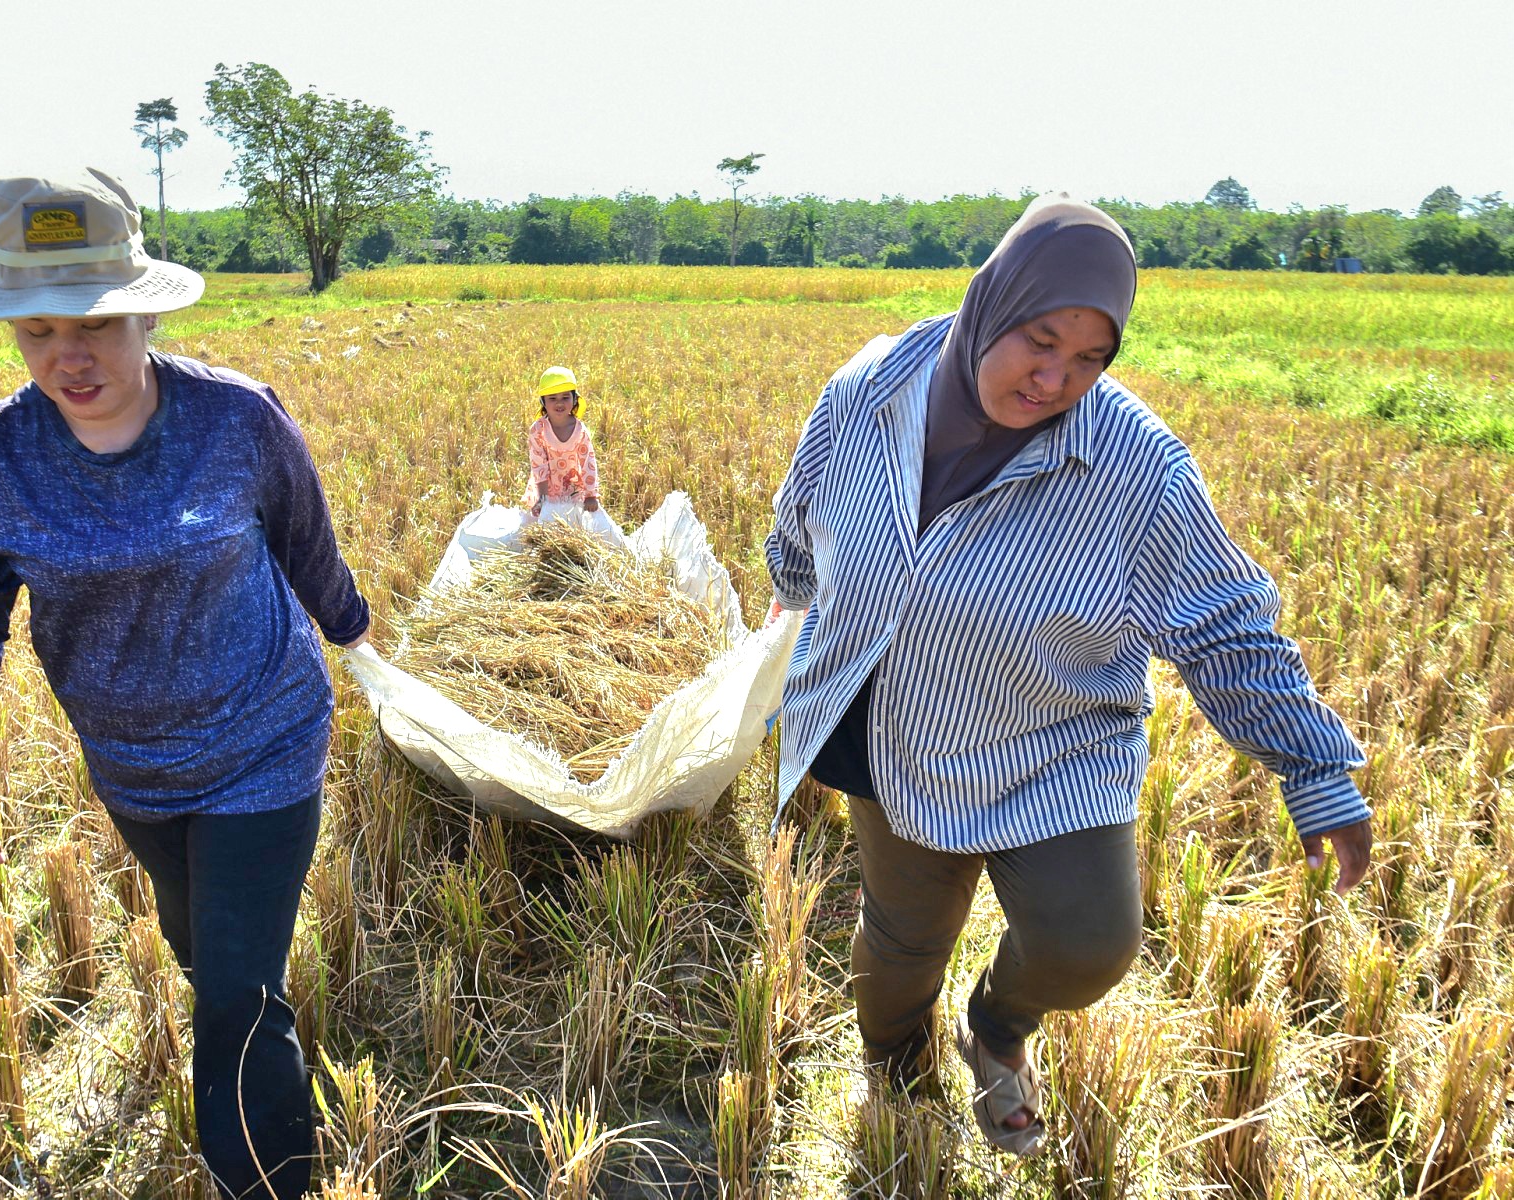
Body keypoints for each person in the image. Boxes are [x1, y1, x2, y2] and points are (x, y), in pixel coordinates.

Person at [763, 194, 1372, 1156]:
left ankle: (998, 1027)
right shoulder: (869, 389)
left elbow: (1224, 622)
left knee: (1088, 945)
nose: (1054, 379)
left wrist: (1313, 766)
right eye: (1039, 341)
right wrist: (791, 601)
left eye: (1090, 359)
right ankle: (898, 1078)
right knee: (901, 953)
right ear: (989, 304)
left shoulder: (1134, 467)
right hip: (891, 728)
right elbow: (802, 518)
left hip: (1053, 739)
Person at [0, 168, 368, 1198]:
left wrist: (358, 637)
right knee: (202, 952)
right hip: (132, 767)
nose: (67, 355)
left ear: (145, 311)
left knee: (233, 989)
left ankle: (266, 1179)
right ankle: (275, 1067)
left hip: (265, 742)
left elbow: (308, 546)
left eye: (96, 322)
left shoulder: (237, 421)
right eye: (34, 330)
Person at [522, 365, 626, 548]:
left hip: (572, 486)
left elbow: (588, 463)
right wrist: (542, 498)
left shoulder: (580, 431)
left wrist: (591, 495)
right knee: (545, 528)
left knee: (574, 529)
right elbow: (538, 465)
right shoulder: (537, 430)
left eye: (565, 397)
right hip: (546, 486)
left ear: (575, 399)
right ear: (543, 401)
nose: (559, 403)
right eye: (552, 398)